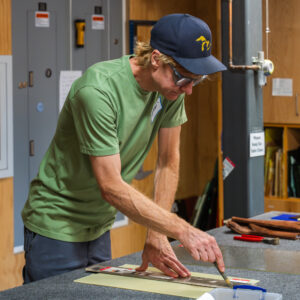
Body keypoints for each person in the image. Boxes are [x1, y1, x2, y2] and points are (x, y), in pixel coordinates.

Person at [22, 13, 227, 283]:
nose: (188, 90)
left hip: (99, 227)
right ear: (156, 59)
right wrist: (184, 230)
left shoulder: (171, 91)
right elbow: (111, 186)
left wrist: (157, 235)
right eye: (183, 78)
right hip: (56, 224)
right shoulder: (98, 91)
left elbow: (168, 161)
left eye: (196, 81)